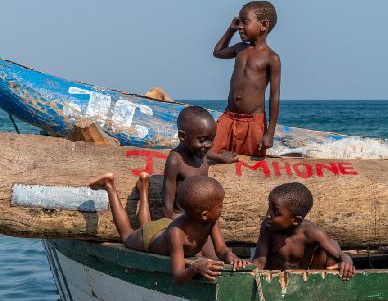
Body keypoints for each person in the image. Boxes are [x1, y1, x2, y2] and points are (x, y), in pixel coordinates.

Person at [89, 173, 247, 284]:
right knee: (127, 235)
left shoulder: (210, 221)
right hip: (151, 237)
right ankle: (109, 185)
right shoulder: (177, 234)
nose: (222, 208)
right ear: (204, 214)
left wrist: (231, 256)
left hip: (166, 224)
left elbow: (221, 249)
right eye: (220, 205)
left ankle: (144, 185)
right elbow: (178, 276)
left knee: (146, 224)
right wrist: (195, 268)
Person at [210, 0, 281, 158]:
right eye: (238, 22)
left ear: (263, 25)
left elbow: (274, 96)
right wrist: (230, 30)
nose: (240, 26)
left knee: (251, 161)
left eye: (245, 22)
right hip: (229, 116)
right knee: (209, 151)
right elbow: (217, 52)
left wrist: (270, 132)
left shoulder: (271, 58)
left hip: (254, 122)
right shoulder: (239, 49)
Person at [253, 182, 356, 280]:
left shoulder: (312, 232)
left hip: (303, 282)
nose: (268, 214)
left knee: (331, 245)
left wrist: (347, 260)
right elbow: (259, 261)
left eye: (276, 212)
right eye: (269, 207)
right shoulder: (268, 227)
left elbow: (339, 254)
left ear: (296, 220)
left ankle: (322, 289)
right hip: (273, 281)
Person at [163, 105, 236, 219]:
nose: (208, 145)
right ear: (182, 136)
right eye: (202, 140)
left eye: (212, 139)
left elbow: (208, 153)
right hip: (182, 219)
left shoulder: (201, 153)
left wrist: (222, 158)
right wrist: (166, 227)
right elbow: (168, 200)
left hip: (202, 217)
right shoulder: (175, 161)